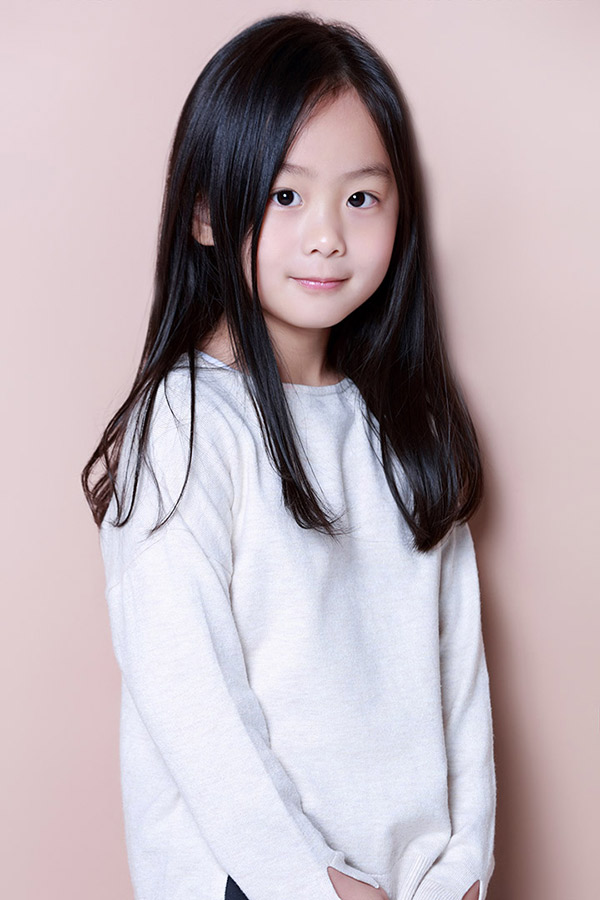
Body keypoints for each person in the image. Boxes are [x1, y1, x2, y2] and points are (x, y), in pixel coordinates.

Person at [81, 12, 496, 900]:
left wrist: (466, 864)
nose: (327, 236)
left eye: (361, 198)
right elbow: (188, 693)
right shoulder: (188, 424)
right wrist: (312, 881)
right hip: (257, 880)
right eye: (284, 196)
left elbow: (458, 673)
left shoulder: (407, 425)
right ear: (204, 211)